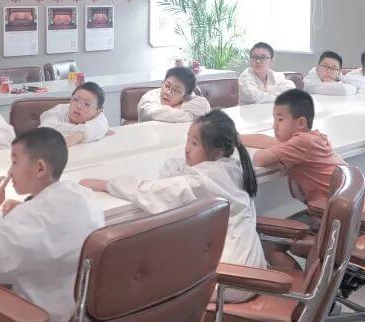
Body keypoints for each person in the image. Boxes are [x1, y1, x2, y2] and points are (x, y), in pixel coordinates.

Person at [80, 110, 266, 303]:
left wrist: (106, 184)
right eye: (188, 140)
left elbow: (155, 191)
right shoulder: (232, 167)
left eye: (194, 143)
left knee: (139, 275)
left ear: (218, 151)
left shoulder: (203, 180)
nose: (186, 148)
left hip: (227, 279)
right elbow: (176, 169)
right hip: (248, 270)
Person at [0, 127, 105, 322]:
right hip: (76, 311)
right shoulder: (85, 197)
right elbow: (53, 224)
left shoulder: (30, 217)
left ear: (40, 168)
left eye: (15, 162)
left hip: (37, 314)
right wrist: (28, 206)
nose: (9, 172)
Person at [241, 89, 344, 269]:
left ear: (301, 122)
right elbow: (266, 141)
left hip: (328, 220)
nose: (274, 125)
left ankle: (301, 286)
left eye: (280, 119)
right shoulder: (315, 138)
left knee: (269, 242)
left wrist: (278, 151)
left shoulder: (302, 143)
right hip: (343, 218)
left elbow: (260, 159)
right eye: (274, 119)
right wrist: (236, 137)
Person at [39, 82, 111, 146]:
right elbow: (45, 129)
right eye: (76, 99)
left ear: (98, 111)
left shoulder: (99, 117)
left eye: (87, 104)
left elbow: (101, 125)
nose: (78, 106)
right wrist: (89, 131)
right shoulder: (58, 110)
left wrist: (77, 137)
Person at [137, 66, 211, 122]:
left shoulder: (188, 97)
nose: (168, 92)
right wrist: (191, 115)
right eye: (167, 85)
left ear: (185, 96)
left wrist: (179, 107)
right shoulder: (148, 98)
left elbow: (205, 106)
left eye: (176, 90)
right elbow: (154, 114)